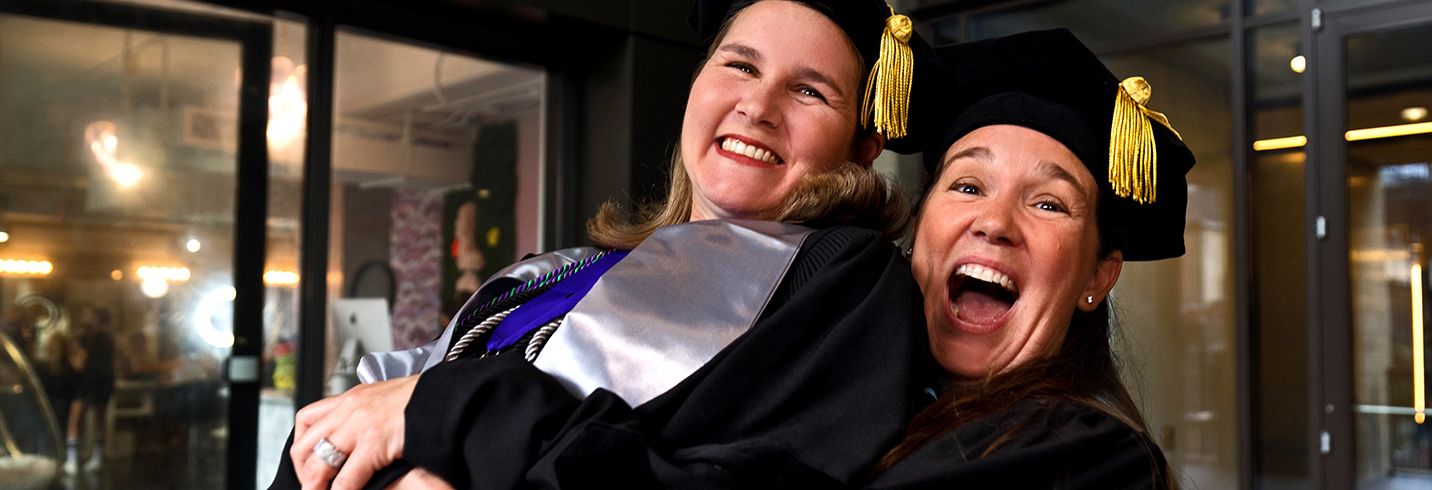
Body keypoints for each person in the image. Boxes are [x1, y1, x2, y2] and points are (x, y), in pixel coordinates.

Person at [271, 1, 952, 489]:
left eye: (809, 90)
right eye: (740, 66)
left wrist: (449, 415)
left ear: (864, 147)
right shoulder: (559, 272)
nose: (759, 106)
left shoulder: (844, 284)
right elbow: (360, 411)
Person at [867, 28, 1195, 489]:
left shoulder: (1092, 462)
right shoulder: (850, 396)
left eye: (1048, 203)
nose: (994, 222)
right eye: (968, 186)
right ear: (918, 232)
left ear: (1099, 278)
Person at [67, 306, 118, 473]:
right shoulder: (110, 338)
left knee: (76, 417)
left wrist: (68, 355)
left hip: (88, 380)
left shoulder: (87, 336)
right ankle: (97, 458)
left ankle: (72, 461)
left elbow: (79, 364)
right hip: (107, 379)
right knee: (100, 418)